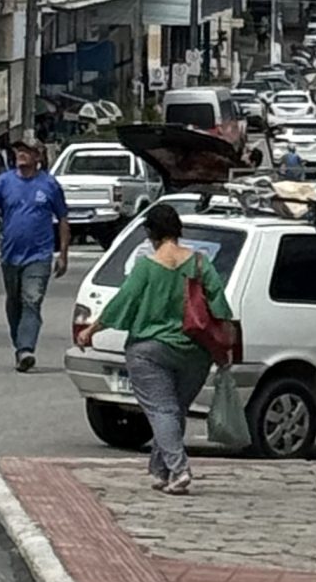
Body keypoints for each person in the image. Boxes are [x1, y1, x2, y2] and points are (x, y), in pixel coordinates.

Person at [71, 202, 232, 495]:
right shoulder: (199, 263)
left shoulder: (146, 267)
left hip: (149, 349)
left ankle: (180, 469)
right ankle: (162, 470)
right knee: (174, 411)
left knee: (161, 410)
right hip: (195, 351)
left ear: (150, 233)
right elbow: (220, 305)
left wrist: (92, 330)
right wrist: (226, 347)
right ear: (178, 231)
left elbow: (124, 301)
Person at [0, 141, 70, 370]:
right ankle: (20, 346)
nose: (20, 155)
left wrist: (63, 254)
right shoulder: (4, 182)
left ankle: (26, 349)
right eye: (18, 151)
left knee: (31, 300)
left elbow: (63, 219)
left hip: (39, 255)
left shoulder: (49, 185)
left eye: (26, 151)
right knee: (14, 302)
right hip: (11, 255)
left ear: (38, 157)